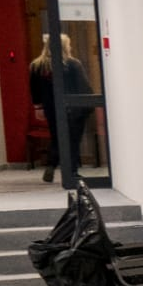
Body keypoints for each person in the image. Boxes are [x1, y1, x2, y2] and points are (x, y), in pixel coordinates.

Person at [29, 47, 94, 185]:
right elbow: (83, 85)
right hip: (73, 107)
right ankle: (72, 171)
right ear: (66, 47)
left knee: (57, 137)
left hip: (51, 108)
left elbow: (34, 89)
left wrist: (38, 107)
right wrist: (88, 104)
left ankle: (52, 164)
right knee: (73, 139)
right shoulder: (72, 64)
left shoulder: (37, 66)